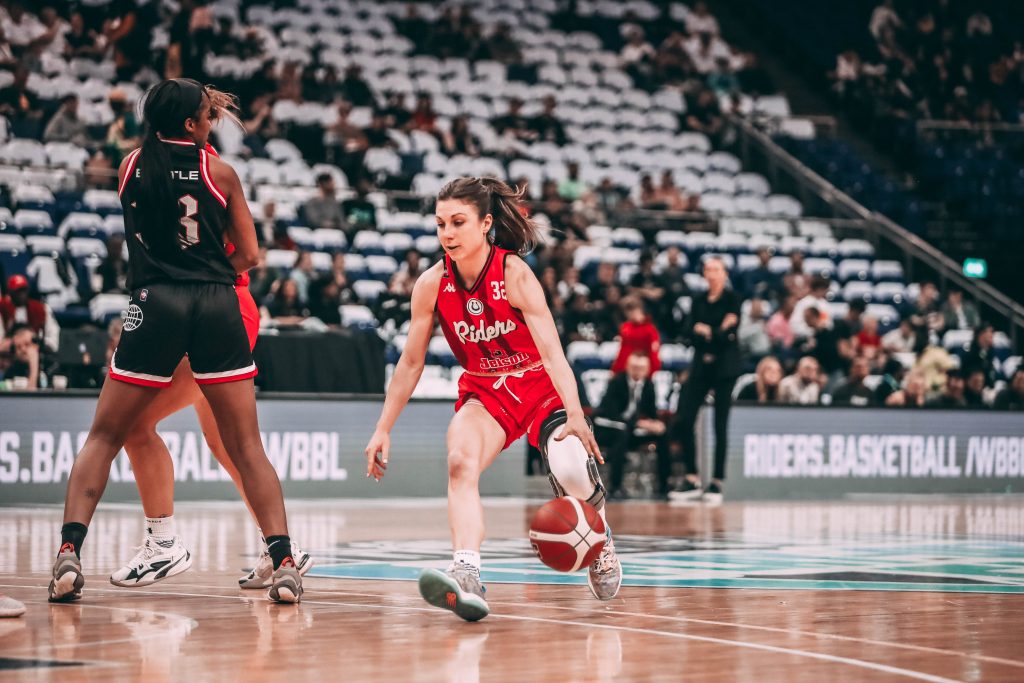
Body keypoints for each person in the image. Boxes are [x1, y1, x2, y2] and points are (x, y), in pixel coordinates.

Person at [49, 79, 303, 606]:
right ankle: (280, 558)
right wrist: (209, 273)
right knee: (239, 444)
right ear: (192, 123)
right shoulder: (219, 171)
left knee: (110, 433)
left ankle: (73, 552)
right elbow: (252, 254)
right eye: (207, 114)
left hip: (156, 301)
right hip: (218, 300)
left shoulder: (130, 166)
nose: (213, 119)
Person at [364, 177, 621, 622]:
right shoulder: (431, 284)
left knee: (569, 468)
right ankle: (466, 571)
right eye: (441, 223)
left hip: (539, 386)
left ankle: (599, 539)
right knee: (460, 461)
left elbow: (554, 353)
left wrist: (576, 414)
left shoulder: (515, 274)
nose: (447, 233)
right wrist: (383, 427)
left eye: (458, 222)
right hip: (485, 390)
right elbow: (410, 363)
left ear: (485, 224)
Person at [669, 258, 740, 504]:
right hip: (700, 366)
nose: (711, 274)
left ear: (725, 273)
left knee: (720, 424)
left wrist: (708, 331)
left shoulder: (733, 298)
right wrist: (715, 332)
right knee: (684, 418)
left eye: (716, 269)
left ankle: (717, 481)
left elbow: (727, 334)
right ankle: (692, 476)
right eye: (708, 269)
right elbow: (689, 332)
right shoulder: (698, 300)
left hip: (725, 368)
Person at [593, 351, 671, 498]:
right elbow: (612, 413)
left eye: (641, 368)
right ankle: (615, 487)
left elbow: (651, 412)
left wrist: (655, 424)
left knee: (662, 434)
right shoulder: (617, 382)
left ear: (647, 369)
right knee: (621, 432)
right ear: (628, 367)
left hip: (631, 429)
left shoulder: (648, 384)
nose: (638, 371)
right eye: (634, 367)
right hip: (608, 427)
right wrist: (640, 423)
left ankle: (664, 485)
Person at [1, 274, 60, 353]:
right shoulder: (3, 308)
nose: (21, 294)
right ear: (10, 293)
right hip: (10, 348)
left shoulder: (40, 308)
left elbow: (52, 330)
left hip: (34, 346)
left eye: (23, 290)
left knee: (31, 347)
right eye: (18, 291)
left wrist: (48, 344)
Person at [610, 297, 661, 374]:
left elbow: (654, 351)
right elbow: (623, 350)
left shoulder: (650, 329)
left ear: (640, 310)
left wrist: (652, 371)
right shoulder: (625, 327)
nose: (630, 315)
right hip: (626, 369)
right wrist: (615, 370)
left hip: (644, 368)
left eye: (633, 311)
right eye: (628, 312)